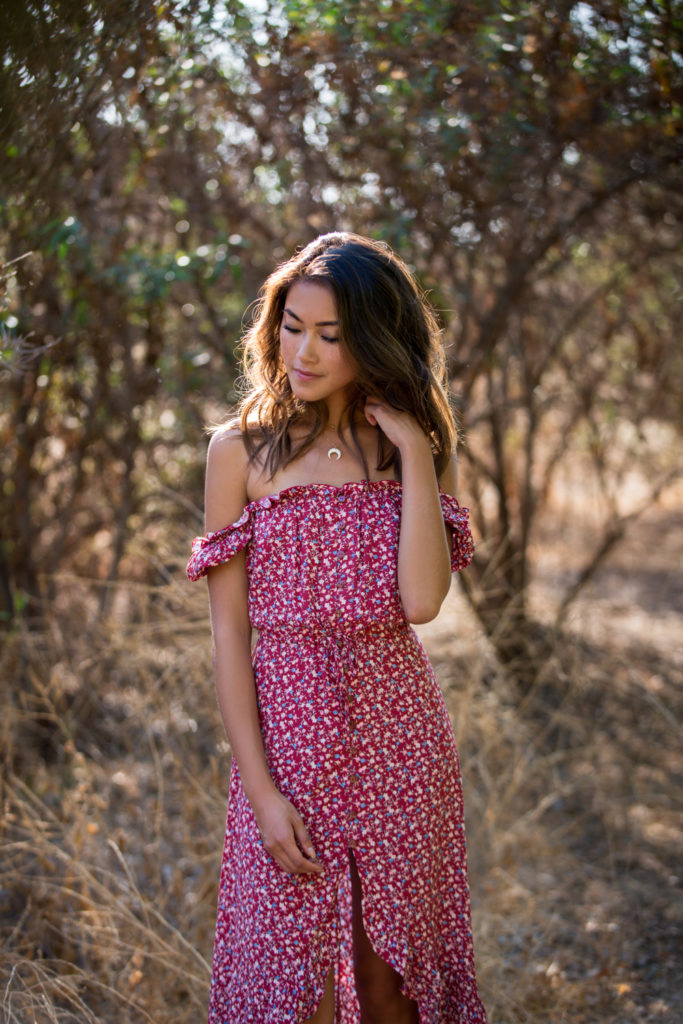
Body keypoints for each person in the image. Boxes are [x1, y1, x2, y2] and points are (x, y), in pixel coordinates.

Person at [187, 233, 487, 1024]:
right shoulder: (238, 452)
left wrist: (418, 459)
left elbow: (421, 603)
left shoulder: (413, 451)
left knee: (392, 978)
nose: (303, 352)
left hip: (399, 740)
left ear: (374, 337)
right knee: (294, 986)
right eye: (291, 326)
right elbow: (229, 636)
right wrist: (259, 790)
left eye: (331, 334)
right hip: (288, 741)